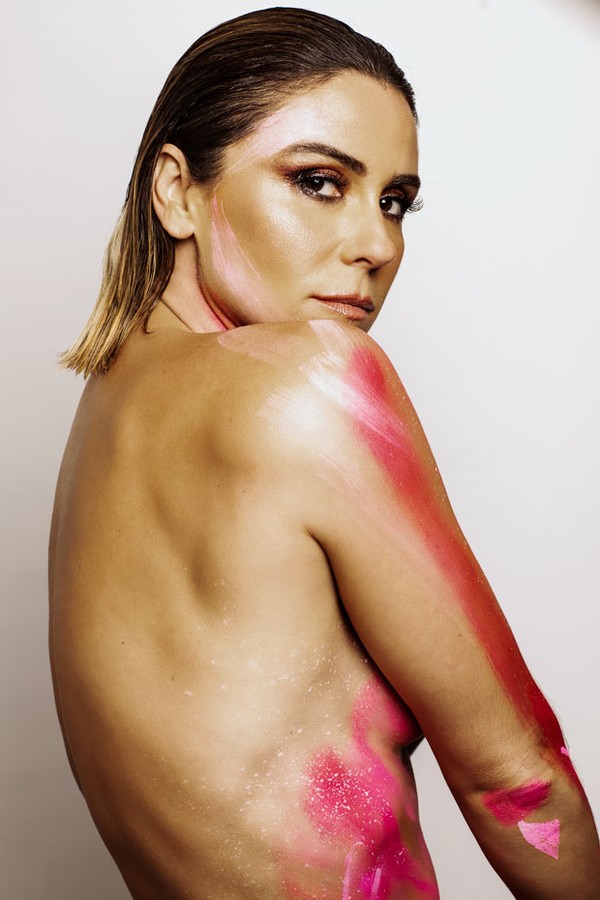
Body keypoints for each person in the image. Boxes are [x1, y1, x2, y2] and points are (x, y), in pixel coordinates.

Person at [48, 8, 599, 899]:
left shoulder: (107, 409)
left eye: (395, 201)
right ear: (177, 190)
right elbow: (517, 781)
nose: (378, 244)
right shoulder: (313, 384)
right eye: (318, 181)